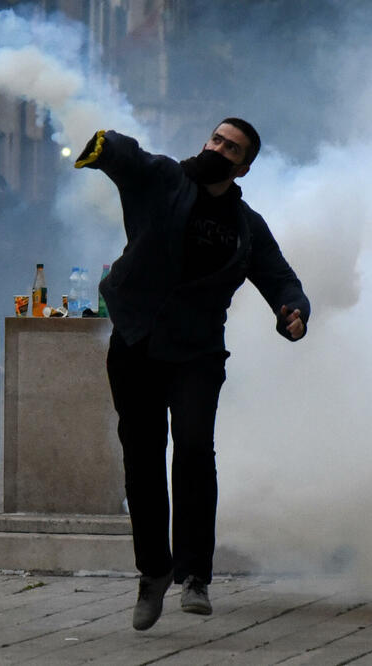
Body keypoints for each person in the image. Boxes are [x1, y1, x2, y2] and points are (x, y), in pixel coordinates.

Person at [74, 118, 310, 630]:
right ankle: (153, 572)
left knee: (195, 450)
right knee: (142, 456)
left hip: (198, 352)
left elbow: (280, 278)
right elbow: (126, 156)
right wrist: (102, 145)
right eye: (216, 140)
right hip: (137, 342)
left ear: (244, 166)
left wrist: (293, 310)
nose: (220, 149)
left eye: (233, 149)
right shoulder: (164, 180)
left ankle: (196, 575)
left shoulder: (246, 226)